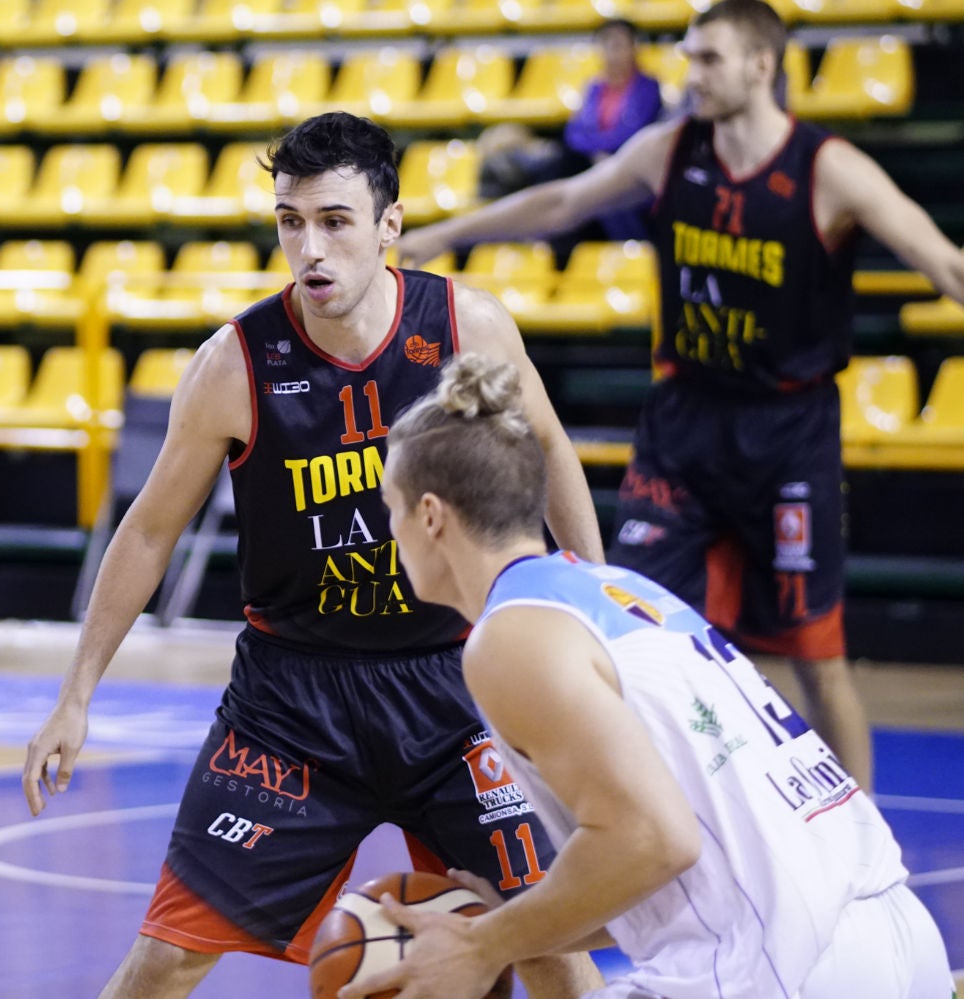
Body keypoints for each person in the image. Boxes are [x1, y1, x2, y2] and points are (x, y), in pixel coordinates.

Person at [22, 112, 606, 998]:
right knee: (169, 954)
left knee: (550, 943)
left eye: (335, 220)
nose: (310, 248)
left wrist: (594, 608)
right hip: (293, 703)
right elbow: (147, 530)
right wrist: (76, 694)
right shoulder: (234, 364)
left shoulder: (465, 328)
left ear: (390, 225)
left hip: (457, 684)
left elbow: (553, 452)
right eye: (291, 222)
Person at [398, 0, 964, 792]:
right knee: (629, 622)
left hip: (788, 429)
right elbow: (564, 202)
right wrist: (446, 234)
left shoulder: (826, 167)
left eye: (708, 59)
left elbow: (941, 259)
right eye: (689, 57)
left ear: (762, 66)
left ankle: (866, 837)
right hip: (683, 423)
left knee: (817, 654)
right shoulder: (671, 149)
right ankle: (637, 806)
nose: (689, 74)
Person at [340, 350, 953, 999]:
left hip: (782, 963)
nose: (390, 529)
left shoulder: (509, 637)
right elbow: (672, 874)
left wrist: (478, 946)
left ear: (430, 515)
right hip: (889, 933)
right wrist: (503, 924)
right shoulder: (621, 590)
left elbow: (654, 838)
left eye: (391, 507)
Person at [562, 18, 663, 239]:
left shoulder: (648, 87)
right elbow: (573, 133)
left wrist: (599, 149)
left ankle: (632, 252)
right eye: (605, 44)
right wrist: (597, 153)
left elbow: (633, 132)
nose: (610, 52)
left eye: (617, 44)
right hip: (595, 164)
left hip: (630, 165)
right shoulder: (593, 88)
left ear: (633, 47)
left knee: (611, 194)